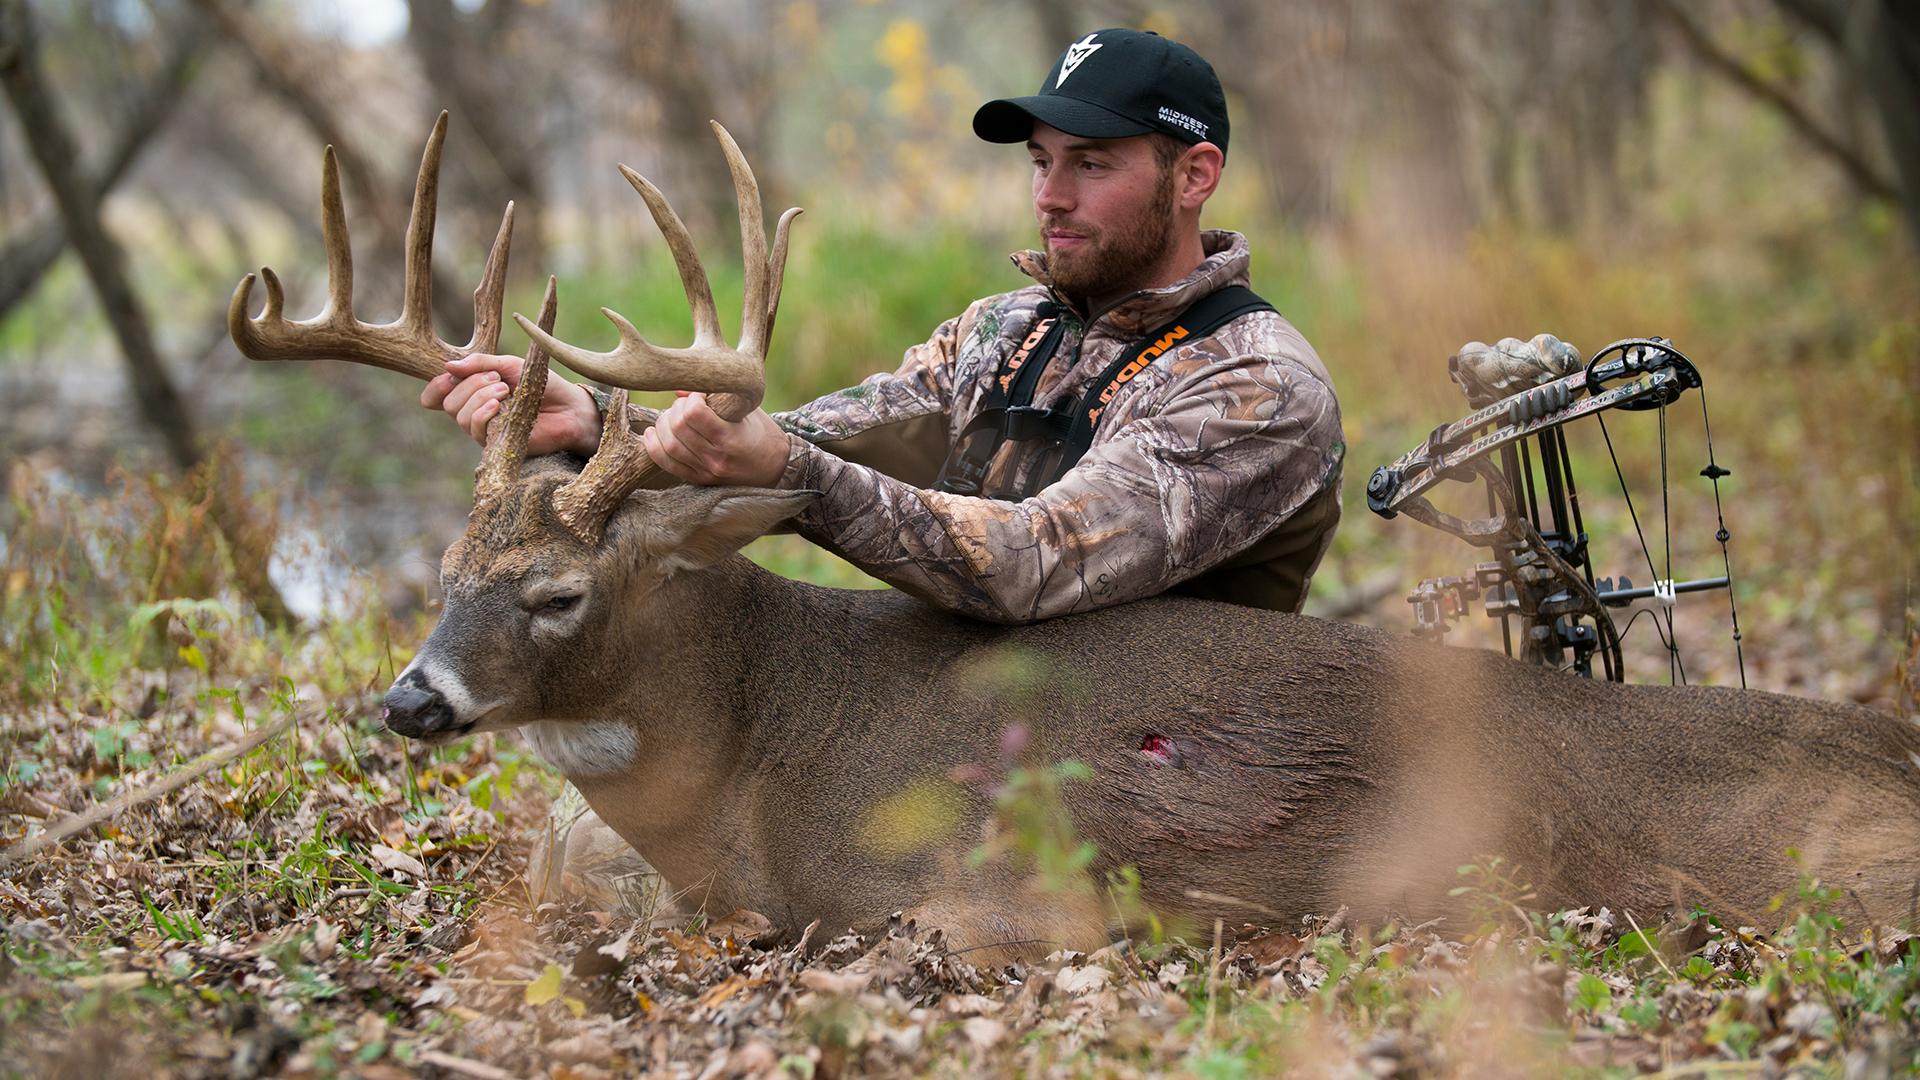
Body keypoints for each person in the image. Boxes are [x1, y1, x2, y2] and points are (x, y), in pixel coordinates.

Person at [425, 28, 1344, 624]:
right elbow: (824, 440)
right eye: (1041, 162)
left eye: (1092, 165)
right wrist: (597, 424)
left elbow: (1034, 562)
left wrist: (787, 469)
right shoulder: (1005, 330)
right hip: (977, 725)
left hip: (1168, 768)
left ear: (1195, 176)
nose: (1050, 198)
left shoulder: (1257, 385)